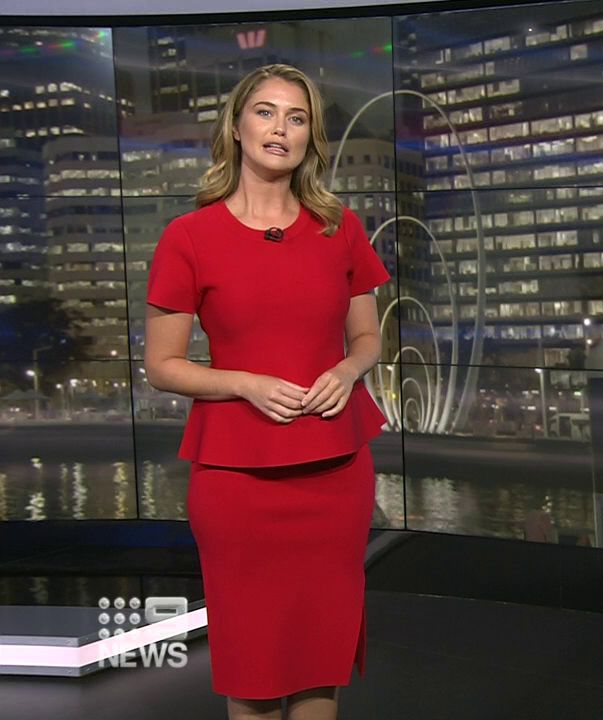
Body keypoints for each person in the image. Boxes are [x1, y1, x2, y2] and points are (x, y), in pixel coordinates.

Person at [143, 63, 390, 720]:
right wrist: (245, 384)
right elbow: (162, 365)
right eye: (265, 112)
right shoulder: (188, 237)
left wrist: (348, 371)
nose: (280, 128)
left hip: (335, 473)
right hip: (237, 481)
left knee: (319, 666)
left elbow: (368, 338)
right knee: (252, 668)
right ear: (237, 125)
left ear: (311, 137)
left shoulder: (341, 227)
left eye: (297, 117)